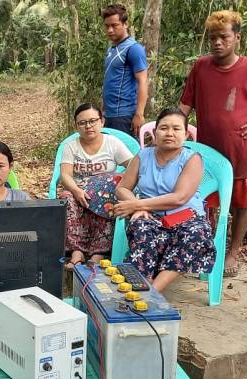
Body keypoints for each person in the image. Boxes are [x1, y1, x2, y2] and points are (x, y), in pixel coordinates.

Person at [179, 10, 247, 277]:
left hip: (240, 151)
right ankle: (205, 248)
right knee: (206, 200)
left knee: (241, 204)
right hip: (206, 149)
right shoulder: (201, 67)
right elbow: (185, 104)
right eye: (213, 38)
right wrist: (176, 128)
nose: (218, 43)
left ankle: (234, 252)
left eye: (224, 37)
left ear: (237, 38)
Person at [114, 108, 216, 293]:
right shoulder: (142, 156)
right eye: (164, 128)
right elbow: (122, 188)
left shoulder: (192, 159)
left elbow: (180, 198)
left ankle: (152, 292)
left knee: (196, 235)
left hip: (186, 217)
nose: (169, 133)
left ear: (185, 135)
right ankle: (141, 282)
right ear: (154, 133)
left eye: (176, 129)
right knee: (140, 227)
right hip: (150, 215)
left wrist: (137, 204)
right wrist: (138, 209)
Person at [59, 103, 133, 267]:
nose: (88, 126)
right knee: (66, 198)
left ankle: (98, 253)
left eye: (92, 121)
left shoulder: (112, 143)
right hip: (78, 193)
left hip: (105, 195)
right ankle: (76, 252)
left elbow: (134, 166)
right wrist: (77, 190)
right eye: (82, 123)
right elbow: (65, 175)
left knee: (110, 193)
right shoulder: (71, 147)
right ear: (76, 126)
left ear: (102, 121)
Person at [101, 4, 148, 137]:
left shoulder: (133, 48)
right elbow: (110, 79)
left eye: (114, 25)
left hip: (124, 114)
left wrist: (139, 114)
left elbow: (143, 81)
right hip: (109, 115)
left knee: (127, 156)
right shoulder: (111, 49)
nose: (110, 30)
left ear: (125, 24)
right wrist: (103, 110)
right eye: (107, 26)